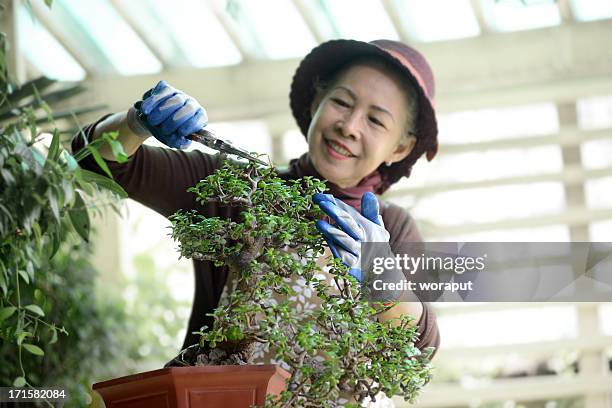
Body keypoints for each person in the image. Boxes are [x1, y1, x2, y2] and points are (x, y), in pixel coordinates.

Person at [72, 39, 441, 362]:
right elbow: (94, 160)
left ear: (401, 147)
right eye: (342, 102)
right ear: (316, 101)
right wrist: (136, 123)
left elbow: (418, 349)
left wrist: (384, 278)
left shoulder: (392, 229)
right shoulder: (235, 187)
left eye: (376, 121)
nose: (350, 125)